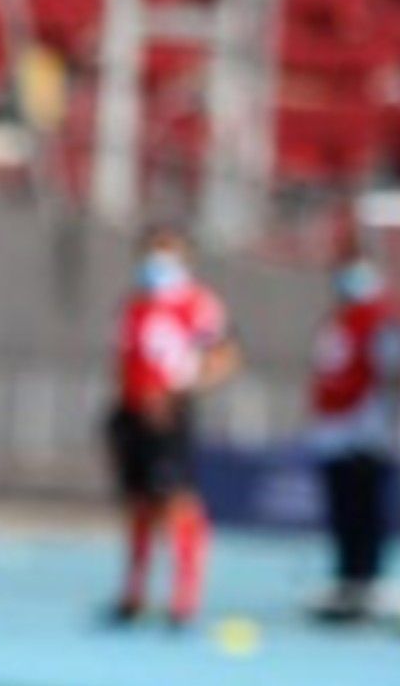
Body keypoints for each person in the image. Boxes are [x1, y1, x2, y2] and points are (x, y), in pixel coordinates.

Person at [103, 224, 241, 628]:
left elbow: (224, 357)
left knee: (176, 499)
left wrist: (180, 389)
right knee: (139, 503)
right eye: (152, 251)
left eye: (167, 252)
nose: (156, 262)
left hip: (169, 417)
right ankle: (135, 589)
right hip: (132, 415)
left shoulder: (198, 304)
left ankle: (185, 593)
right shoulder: (134, 305)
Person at [305, 251, 400, 623]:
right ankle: (347, 579)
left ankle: (369, 580)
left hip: (369, 431)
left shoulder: (382, 321)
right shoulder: (338, 320)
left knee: (367, 507)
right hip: (334, 432)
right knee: (343, 506)